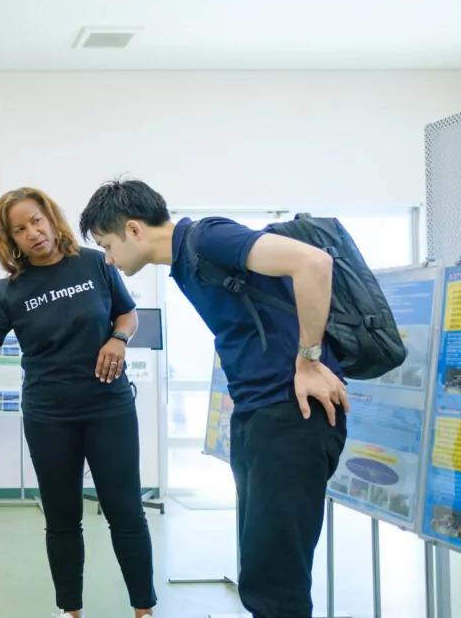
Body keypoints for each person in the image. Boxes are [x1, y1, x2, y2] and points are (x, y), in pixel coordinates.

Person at [79, 179, 349, 618]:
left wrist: (309, 360)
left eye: (107, 245)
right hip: (260, 414)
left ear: (133, 230)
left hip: (290, 413)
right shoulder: (186, 262)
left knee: (277, 577)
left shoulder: (208, 237)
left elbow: (313, 263)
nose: (107, 259)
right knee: (262, 565)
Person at [0, 187, 156, 618]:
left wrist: (117, 338)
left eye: (36, 220)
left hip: (108, 406)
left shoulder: (95, 264)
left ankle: (144, 610)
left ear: (51, 218)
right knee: (61, 517)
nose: (33, 232)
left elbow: (126, 314)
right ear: (10, 240)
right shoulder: (9, 291)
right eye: (20, 229)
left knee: (125, 510)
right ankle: (69, 611)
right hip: (49, 415)